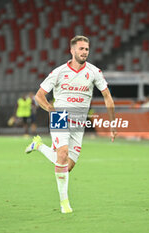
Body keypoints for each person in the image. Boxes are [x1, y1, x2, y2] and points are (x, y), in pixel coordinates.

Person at [24, 35, 117, 213]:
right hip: (60, 116)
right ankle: (64, 203)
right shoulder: (59, 72)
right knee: (62, 153)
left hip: (79, 122)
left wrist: (113, 123)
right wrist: (51, 110)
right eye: (81, 49)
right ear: (72, 50)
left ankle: (39, 146)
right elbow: (39, 96)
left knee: (68, 166)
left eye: (87, 49)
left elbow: (107, 96)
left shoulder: (94, 72)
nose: (84, 52)